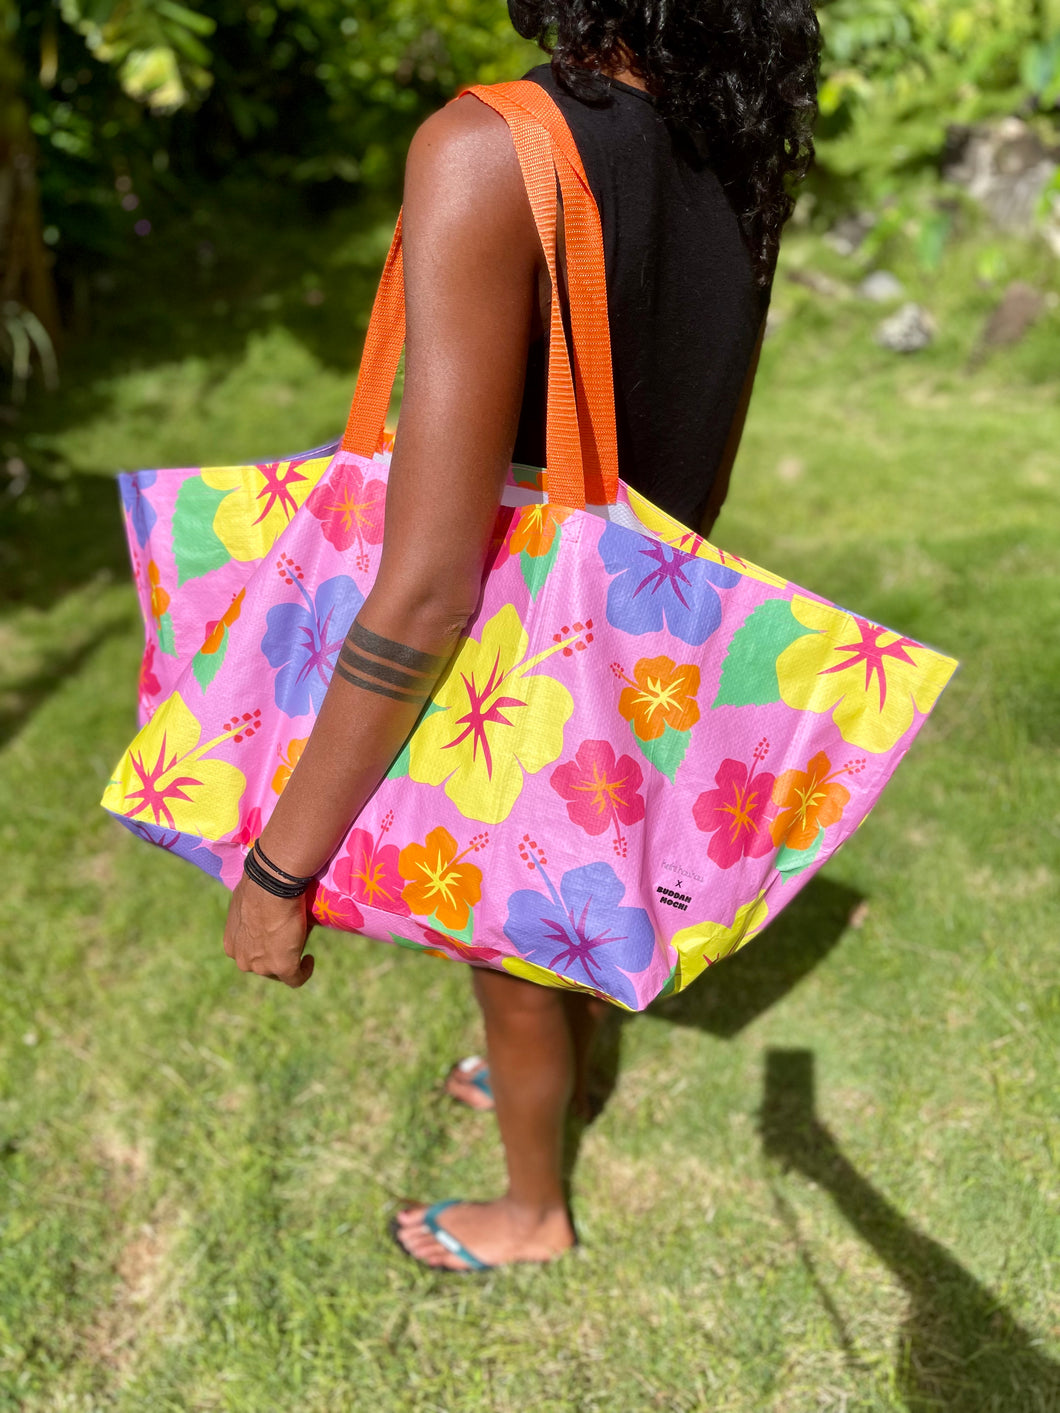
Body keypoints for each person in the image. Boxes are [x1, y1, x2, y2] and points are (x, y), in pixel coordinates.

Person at [222, 1, 820, 1272]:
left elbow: (433, 586)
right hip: (639, 609)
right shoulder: (729, 133)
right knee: (566, 869)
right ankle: (535, 1077)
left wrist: (282, 872)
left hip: (508, 626)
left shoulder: (488, 143)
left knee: (518, 916)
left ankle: (532, 1213)